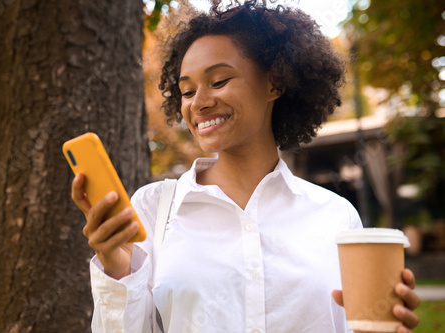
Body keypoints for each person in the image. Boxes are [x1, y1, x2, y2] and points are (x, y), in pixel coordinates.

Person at [71, 1, 420, 332]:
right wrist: (117, 270)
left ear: (274, 83)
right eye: (187, 91)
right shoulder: (153, 209)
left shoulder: (335, 217)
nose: (200, 103)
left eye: (219, 81)